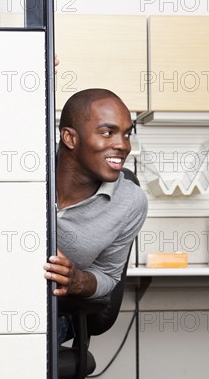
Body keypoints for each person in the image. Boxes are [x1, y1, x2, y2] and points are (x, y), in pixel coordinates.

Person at [43, 88, 148, 341]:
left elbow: (109, 275)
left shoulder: (131, 202)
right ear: (69, 137)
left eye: (126, 134)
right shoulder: (26, 173)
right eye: (107, 132)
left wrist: (76, 280)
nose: (123, 145)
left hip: (52, 314)